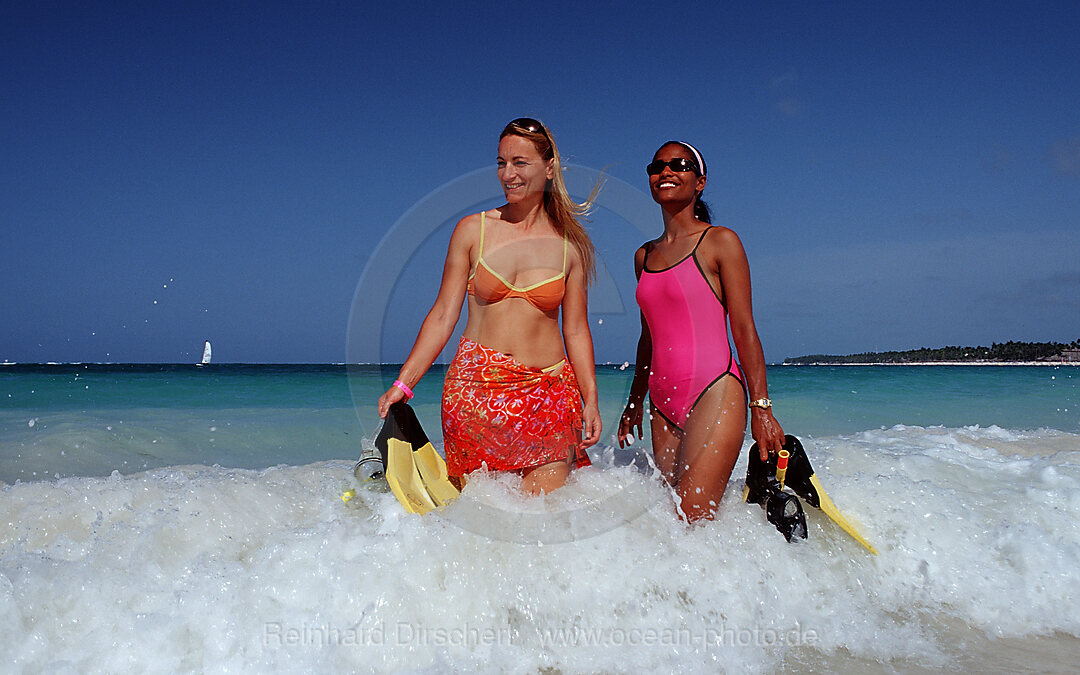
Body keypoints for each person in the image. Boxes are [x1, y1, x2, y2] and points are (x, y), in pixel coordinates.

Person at [378, 118, 602, 495]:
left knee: (540, 520)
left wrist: (591, 397)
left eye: (520, 162)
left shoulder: (571, 247)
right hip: (476, 396)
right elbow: (443, 314)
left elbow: (576, 329)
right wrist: (405, 382)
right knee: (489, 516)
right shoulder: (472, 230)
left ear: (549, 169)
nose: (508, 174)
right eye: (501, 163)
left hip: (548, 394)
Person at [617, 141, 785, 522]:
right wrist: (634, 401)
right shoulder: (643, 256)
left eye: (680, 164)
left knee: (690, 518)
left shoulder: (720, 242)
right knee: (671, 521)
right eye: (657, 166)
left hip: (716, 390)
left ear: (700, 182)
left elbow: (743, 328)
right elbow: (648, 337)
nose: (666, 171)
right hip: (662, 402)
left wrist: (761, 408)